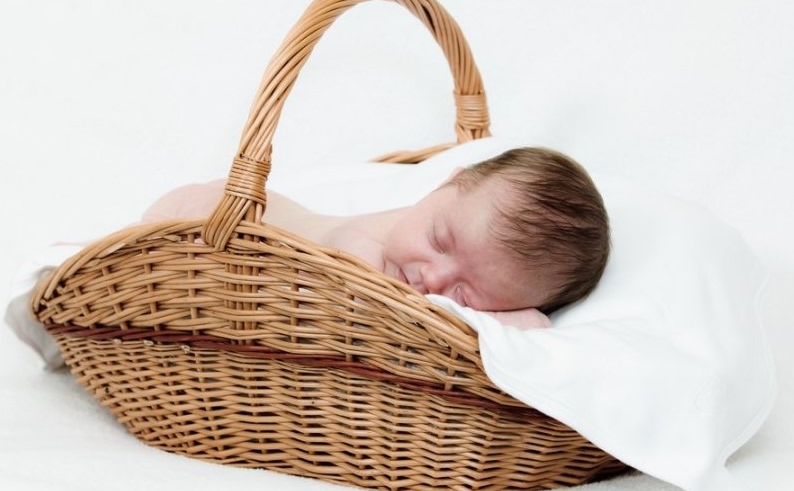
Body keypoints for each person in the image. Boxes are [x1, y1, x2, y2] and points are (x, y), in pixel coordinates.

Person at [142, 147, 610, 329]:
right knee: (138, 274)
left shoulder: (439, 257)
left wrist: (525, 320)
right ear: (447, 182)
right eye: (439, 240)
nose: (433, 279)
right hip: (204, 217)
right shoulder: (364, 249)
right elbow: (372, 310)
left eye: (466, 295)